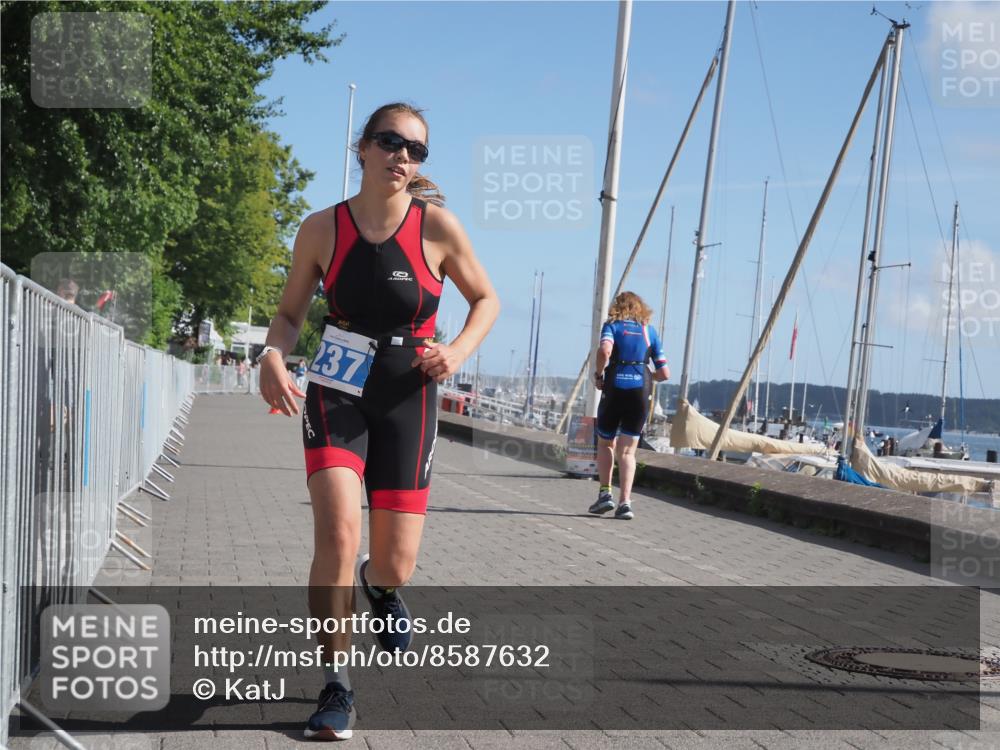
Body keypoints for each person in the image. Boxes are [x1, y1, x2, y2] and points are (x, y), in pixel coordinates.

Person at [257, 101, 499, 741]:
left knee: (395, 562)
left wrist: (458, 351)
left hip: (408, 393)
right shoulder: (320, 229)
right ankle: (337, 684)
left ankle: (379, 586)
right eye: (391, 141)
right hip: (336, 387)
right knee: (336, 534)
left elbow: (486, 299)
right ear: (361, 148)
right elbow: (288, 315)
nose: (403, 156)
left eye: (416, 149)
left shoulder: (437, 228)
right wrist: (272, 355)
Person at [589, 291, 669, 521]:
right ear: (641, 308)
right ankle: (625, 503)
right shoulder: (649, 331)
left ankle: (605, 494)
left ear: (617, 307)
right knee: (627, 451)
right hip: (640, 391)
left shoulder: (612, 326)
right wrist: (647, 377)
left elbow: (605, 351)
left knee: (606, 442)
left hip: (614, 388)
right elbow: (664, 372)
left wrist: (598, 374)